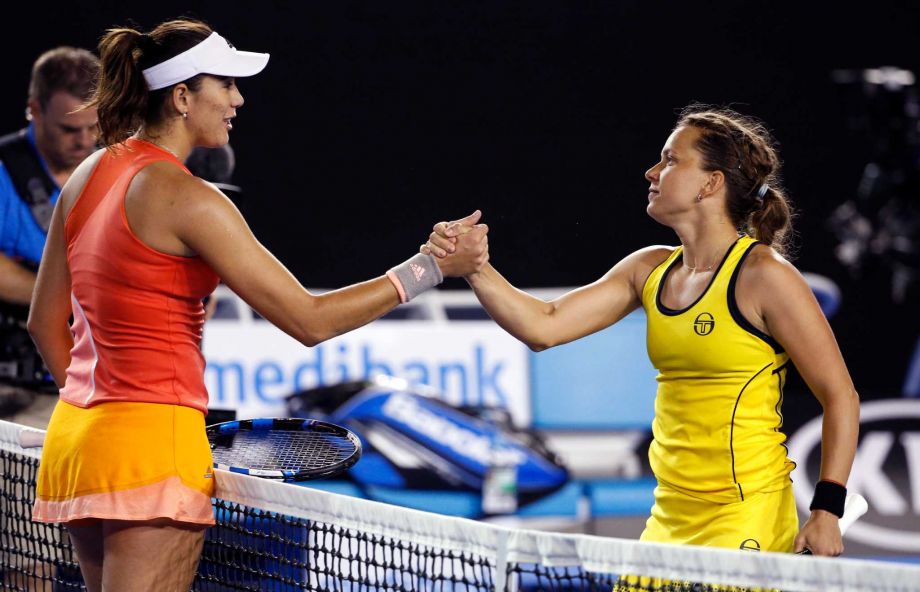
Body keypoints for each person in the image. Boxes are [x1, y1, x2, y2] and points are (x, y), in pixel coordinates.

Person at [26, 18, 487, 592]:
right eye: (227, 85)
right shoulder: (190, 199)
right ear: (182, 96)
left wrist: (104, 411)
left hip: (77, 445)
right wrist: (431, 269)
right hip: (152, 452)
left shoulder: (87, 173)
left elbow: (45, 323)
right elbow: (309, 320)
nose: (238, 100)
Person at [424, 105, 860, 562]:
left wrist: (827, 511)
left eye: (671, 160)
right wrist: (476, 268)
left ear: (710, 183)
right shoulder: (648, 268)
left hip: (746, 517)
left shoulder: (765, 277)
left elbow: (840, 396)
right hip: (668, 519)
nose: (652, 171)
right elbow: (543, 326)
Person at [0, 47, 99, 412]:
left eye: (94, 126)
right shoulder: (3, 170)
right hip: (14, 386)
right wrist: (65, 300)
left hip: (101, 378)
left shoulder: (116, 170)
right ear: (35, 110)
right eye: (70, 129)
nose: (85, 141)